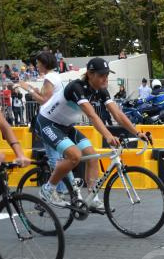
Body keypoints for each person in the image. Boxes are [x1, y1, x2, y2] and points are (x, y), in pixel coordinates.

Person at [35, 58, 149, 208]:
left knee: (92, 155)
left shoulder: (101, 90)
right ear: (90, 74)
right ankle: (48, 189)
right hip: (47, 123)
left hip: (66, 126)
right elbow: (92, 116)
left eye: (107, 75)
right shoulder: (76, 87)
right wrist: (108, 136)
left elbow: (118, 115)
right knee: (75, 155)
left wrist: (137, 133)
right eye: (102, 75)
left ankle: (92, 198)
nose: (105, 79)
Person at [16, 51, 75, 195]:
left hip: (49, 120)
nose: (36, 66)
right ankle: (70, 187)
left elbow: (44, 101)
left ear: (44, 63)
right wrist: (36, 89)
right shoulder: (54, 76)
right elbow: (47, 96)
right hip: (58, 119)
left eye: (37, 63)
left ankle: (60, 189)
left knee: (54, 157)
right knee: (60, 157)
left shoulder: (49, 77)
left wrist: (28, 89)